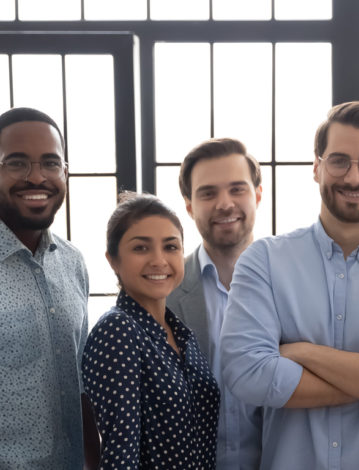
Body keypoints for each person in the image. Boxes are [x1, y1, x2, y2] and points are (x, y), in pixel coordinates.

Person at [220, 101, 359, 470]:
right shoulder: (263, 261)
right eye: (339, 160)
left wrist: (302, 353)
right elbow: (247, 374)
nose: (354, 177)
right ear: (317, 166)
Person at [82, 192, 220, 468]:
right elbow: (120, 457)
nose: (159, 260)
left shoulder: (182, 334)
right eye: (141, 248)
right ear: (113, 260)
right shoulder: (117, 330)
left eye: (171, 247)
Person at [0, 107, 89, 469]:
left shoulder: (73, 262)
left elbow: (82, 381)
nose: (37, 177)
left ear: (65, 172)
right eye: (17, 163)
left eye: (51, 163)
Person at [167, 137, 263, 469]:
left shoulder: (294, 287)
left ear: (258, 195)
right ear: (189, 205)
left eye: (237, 189)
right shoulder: (162, 296)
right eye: (208, 193)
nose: (224, 204)